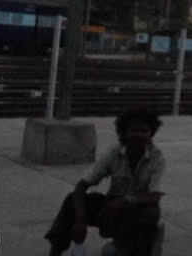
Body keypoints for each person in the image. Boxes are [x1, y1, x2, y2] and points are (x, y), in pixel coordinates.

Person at [45, 108, 166, 256]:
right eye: (133, 130)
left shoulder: (157, 158)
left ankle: (131, 248)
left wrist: (125, 201)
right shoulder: (113, 153)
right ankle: (55, 250)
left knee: (151, 214)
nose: (139, 135)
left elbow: (154, 196)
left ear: (151, 134)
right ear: (124, 133)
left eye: (144, 130)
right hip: (110, 206)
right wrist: (80, 221)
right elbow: (82, 186)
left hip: (137, 207)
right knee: (72, 200)